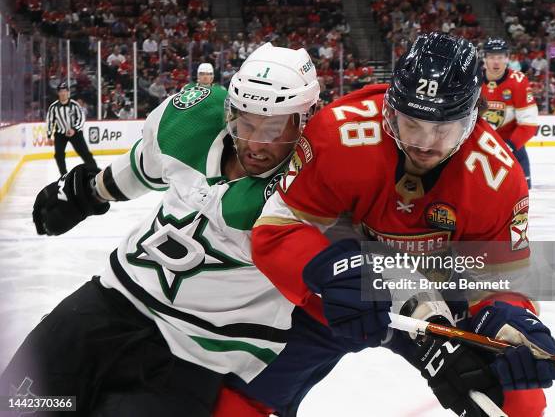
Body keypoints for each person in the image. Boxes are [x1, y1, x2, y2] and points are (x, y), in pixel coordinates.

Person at [244, 33, 555, 417]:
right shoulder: (337, 133)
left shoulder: (498, 177)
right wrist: (327, 270)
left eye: (442, 128)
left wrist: (511, 316)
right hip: (344, 291)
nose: (425, 143)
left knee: (515, 401)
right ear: (390, 110)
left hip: (438, 300)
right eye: (412, 123)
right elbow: (276, 229)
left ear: (472, 118)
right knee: (244, 387)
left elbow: (502, 281)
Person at [2, 43, 319, 417]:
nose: (256, 143)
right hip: (109, 302)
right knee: (20, 406)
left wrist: (401, 296)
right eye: (246, 122)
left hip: (199, 352)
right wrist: (87, 194)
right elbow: (142, 166)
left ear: (304, 119)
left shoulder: (321, 179)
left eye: (274, 127)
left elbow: (379, 242)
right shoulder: (194, 120)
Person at [480, 38, 539, 188]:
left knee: (521, 193)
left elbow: (529, 123)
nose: (496, 62)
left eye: (500, 57)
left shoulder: (518, 81)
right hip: (478, 146)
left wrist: (508, 146)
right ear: (484, 58)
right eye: (492, 57)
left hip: (511, 147)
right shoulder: (473, 80)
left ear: (507, 58)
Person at [46, 82, 98, 175]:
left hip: (76, 133)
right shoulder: (53, 107)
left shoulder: (75, 105)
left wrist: (74, 129)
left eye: (65, 91)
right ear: (58, 93)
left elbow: (81, 118)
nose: (63, 93)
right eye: (61, 91)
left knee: (85, 153)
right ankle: (64, 176)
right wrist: (49, 136)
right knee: (59, 155)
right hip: (60, 134)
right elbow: (50, 121)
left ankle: (95, 171)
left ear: (68, 92)